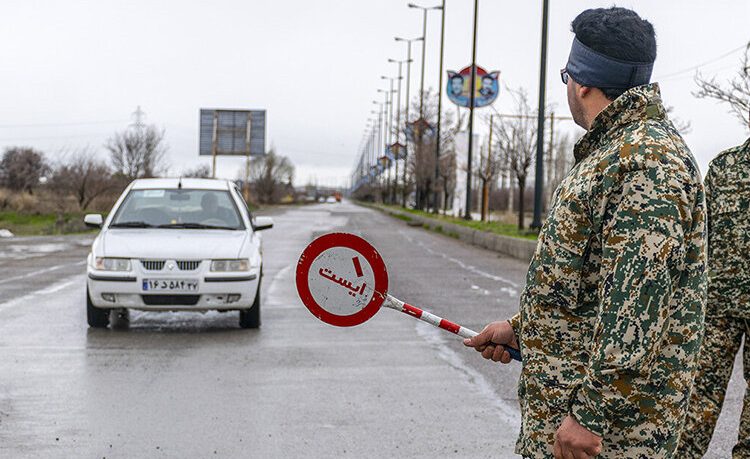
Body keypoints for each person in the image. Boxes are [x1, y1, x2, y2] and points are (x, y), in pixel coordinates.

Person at [463, 7, 707, 459]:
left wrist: (591, 415)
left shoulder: (644, 162)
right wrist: (523, 331)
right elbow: (589, 284)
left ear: (583, 82)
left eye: (566, 77)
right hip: (572, 414)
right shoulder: (615, 152)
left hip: (612, 438)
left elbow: (637, 303)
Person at [677, 110, 750, 458]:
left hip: (719, 301)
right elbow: (699, 238)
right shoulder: (724, 167)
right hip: (717, 305)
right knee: (695, 398)